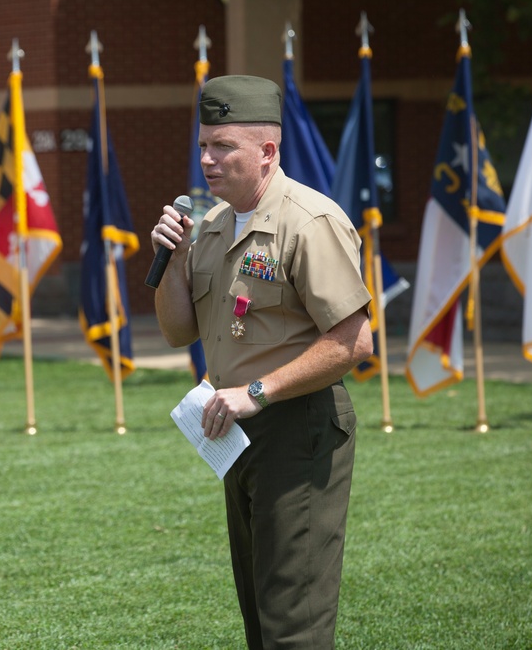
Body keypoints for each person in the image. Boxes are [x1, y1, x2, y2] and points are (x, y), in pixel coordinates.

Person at [150, 75, 373, 650]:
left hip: (295, 429)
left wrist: (257, 392)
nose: (207, 159)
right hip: (236, 435)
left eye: (223, 146)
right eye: (204, 146)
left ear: (267, 151)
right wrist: (173, 259)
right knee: (260, 614)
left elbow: (354, 341)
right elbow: (178, 331)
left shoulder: (309, 221)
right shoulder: (212, 225)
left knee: (292, 623)